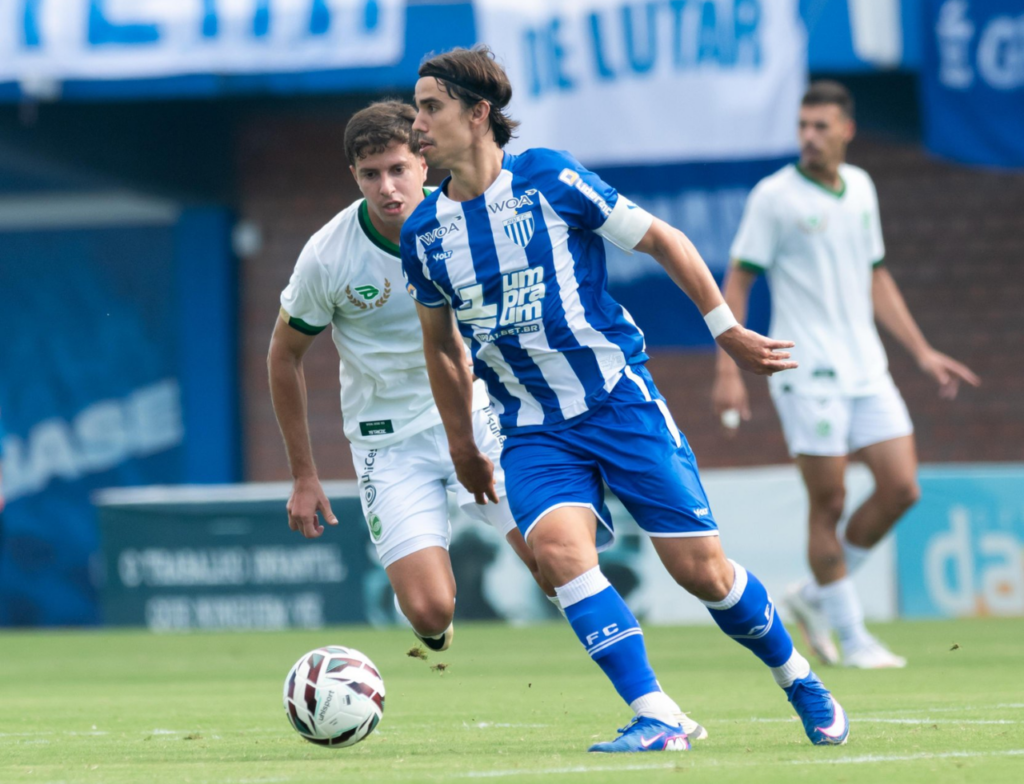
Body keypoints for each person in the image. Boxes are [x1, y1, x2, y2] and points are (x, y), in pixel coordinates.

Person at [401, 46, 848, 753]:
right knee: (555, 551)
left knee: (704, 573)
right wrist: (463, 446)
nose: (417, 123)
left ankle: (799, 677)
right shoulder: (423, 235)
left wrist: (726, 332)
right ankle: (658, 714)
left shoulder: (547, 177)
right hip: (530, 427)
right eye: (416, 107)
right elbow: (441, 349)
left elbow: (663, 241)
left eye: (431, 107)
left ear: (478, 113)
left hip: (618, 402)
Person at [268, 100, 557, 655]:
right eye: (371, 175)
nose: (387, 187)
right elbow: (284, 355)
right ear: (353, 177)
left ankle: (641, 697)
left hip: (476, 419)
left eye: (398, 169)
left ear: (425, 162)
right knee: (428, 613)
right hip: (388, 441)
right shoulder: (328, 256)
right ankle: (435, 625)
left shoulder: (469, 222)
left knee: (554, 563)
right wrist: (304, 475)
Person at [712, 81, 980, 669]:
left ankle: (813, 598)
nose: (809, 136)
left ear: (846, 130)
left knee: (902, 487)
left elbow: (876, 277)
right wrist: (729, 365)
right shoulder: (774, 196)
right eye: (803, 126)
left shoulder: (861, 187)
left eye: (821, 126)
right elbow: (738, 279)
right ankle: (853, 637)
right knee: (828, 502)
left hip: (867, 367)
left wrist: (922, 351)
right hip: (805, 371)